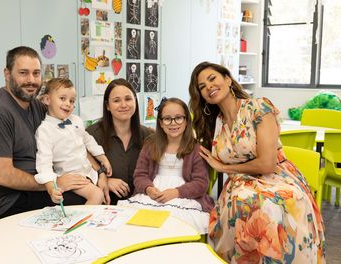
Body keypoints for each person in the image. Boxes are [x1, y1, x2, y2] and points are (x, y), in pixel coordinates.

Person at [189, 62, 326, 262]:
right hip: (240, 183)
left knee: (271, 205)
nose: (208, 87)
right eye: (202, 86)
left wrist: (225, 167)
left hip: (277, 177)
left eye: (212, 79)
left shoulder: (258, 107)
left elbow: (267, 164)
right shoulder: (214, 123)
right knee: (244, 202)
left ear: (227, 80)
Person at [0, 46, 107, 222]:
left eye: (36, 73)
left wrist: (100, 172)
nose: (31, 80)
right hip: (5, 201)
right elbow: (3, 176)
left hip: (39, 184)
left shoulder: (37, 107)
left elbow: (74, 138)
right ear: (7, 74)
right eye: (23, 73)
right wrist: (54, 184)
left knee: (101, 191)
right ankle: (76, 243)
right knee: (87, 199)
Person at [118, 98, 214, 234]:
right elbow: (140, 175)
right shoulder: (150, 145)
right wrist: (149, 189)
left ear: (186, 121)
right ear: (161, 123)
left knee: (174, 225)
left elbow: (201, 183)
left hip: (184, 197)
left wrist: (176, 192)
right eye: (167, 119)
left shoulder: (196, 149)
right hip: (152, 195)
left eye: (178, 118)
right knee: (139, 226)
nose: (173, 123)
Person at [35, 78, 112, 205]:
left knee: (105, 198)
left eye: (72, 101)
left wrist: (102, 157)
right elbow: (44, 163)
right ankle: (83, 224)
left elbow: (88, 140)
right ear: (47, 100)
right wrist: (51, 188)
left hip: (89, 172)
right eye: (62, 98)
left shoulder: (76, 120)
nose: (68, 104)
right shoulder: (45, 130)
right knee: (97, 195)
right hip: (72, 177)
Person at [86, 78, 153, 205]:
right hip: (104, 209)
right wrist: (104, 180)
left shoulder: (149, 136)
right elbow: (74, 168)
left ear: (135, 101)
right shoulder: (90, 135)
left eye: (128, 99)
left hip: (140, 207)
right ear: (108, 106)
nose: (123, 105)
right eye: (116, 100)